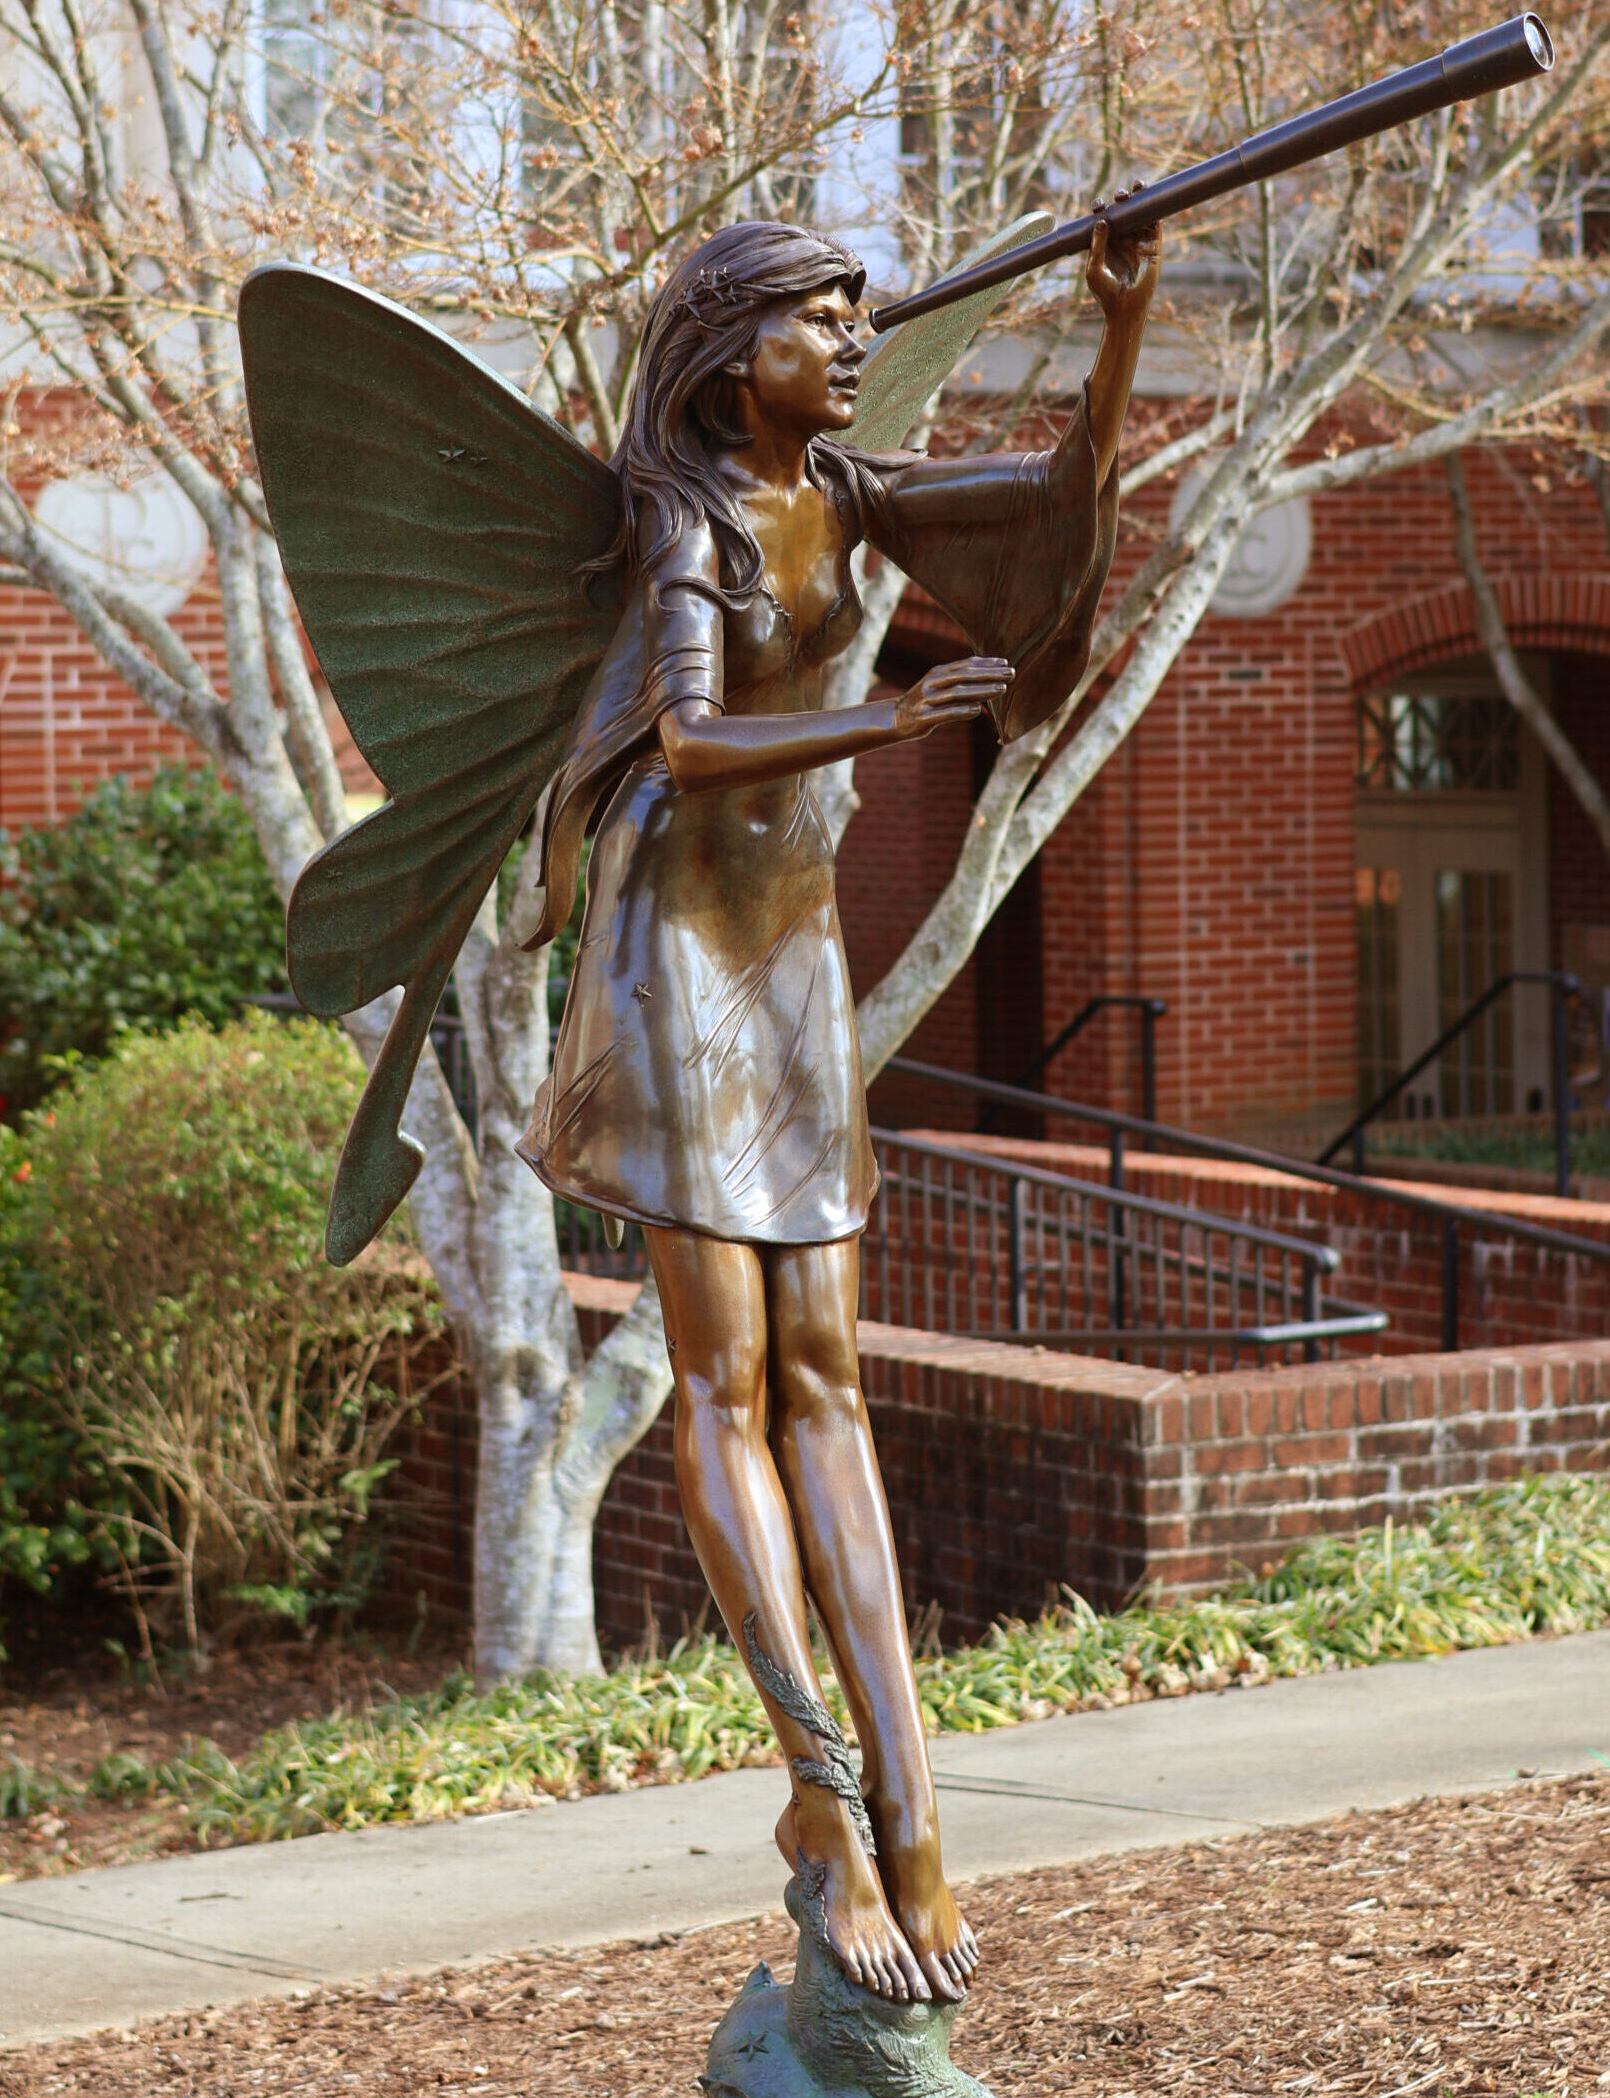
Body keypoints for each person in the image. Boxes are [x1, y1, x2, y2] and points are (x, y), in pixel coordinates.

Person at [515, 207, 1159, 2007]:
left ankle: (916, 1808)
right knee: (724, 1380)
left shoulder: (846, 488)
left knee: (830, 1384)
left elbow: (1042, 515)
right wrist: (892, 722)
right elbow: (698, 739)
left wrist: (1120, 334)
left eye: (859, 313)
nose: (856, 339)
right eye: (820, 319)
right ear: (736, 355)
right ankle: (820, 1790)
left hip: (784, 940)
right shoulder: (684, 509)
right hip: (670, 943)